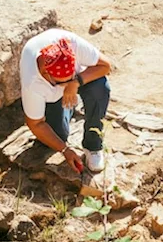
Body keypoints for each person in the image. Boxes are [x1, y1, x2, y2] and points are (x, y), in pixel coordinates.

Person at [20, 28, 113, 174]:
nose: (65, 84)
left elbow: (106, 66)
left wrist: (74, 83)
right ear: (45, 73)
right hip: (50, 97)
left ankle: (93, 145)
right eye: (60, 82)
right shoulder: (32, 83)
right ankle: (70, 105)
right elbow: (35, 123)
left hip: (80, 82)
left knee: (100, 87)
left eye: (69, 78)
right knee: (58, 136)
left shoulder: (72, 45)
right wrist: (65, 150)